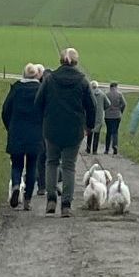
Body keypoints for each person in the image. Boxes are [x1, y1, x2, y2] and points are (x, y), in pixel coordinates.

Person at [35, 48, 96, 217]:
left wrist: (44, 118)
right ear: (76, 62)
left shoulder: (50, 79)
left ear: (61, 61)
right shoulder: (82, 81)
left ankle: (51, 199)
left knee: (51, 162)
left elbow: (38, 101)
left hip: (52, 127)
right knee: (69, 166)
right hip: (74, 129)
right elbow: (92, 106)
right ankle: (67, 205)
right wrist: (89, 126)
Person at [2, 63, 44, 211]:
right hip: (36, 135)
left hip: (17, 133)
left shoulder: (16, 89)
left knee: (17, 164)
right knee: (32, 167)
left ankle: (15, 186)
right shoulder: (40, 90)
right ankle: (27, 200)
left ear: (24, 74)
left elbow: (5, 111)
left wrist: (10, 128)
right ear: (36, 75)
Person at [34, 63, 49, 195]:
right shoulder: (52, 87)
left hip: (41, 127)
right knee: (52, 158)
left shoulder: (40, 88)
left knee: (41, 158)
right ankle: (51, 185)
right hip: (52, 127)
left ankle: (42, 186)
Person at [86, 80, 111, 154]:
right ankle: (94, 150)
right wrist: (103, 108)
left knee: (90, 132)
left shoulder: (89, 94)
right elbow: (108, 104)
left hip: (90, 115)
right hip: (99, 116)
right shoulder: (102, 94)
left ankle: (88, 149)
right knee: (97, 133)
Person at [104, 82, 126, 155]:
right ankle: (115, 146)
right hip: (117, 115)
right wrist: (120, 110)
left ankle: (107, 149)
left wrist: (106, 110)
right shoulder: (119, 94)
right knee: (115, 132)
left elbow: (104, 104)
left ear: (110, 87)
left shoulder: (107, 94)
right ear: (116, 87)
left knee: (108, 132)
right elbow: (124, 104)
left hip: (108, 115)